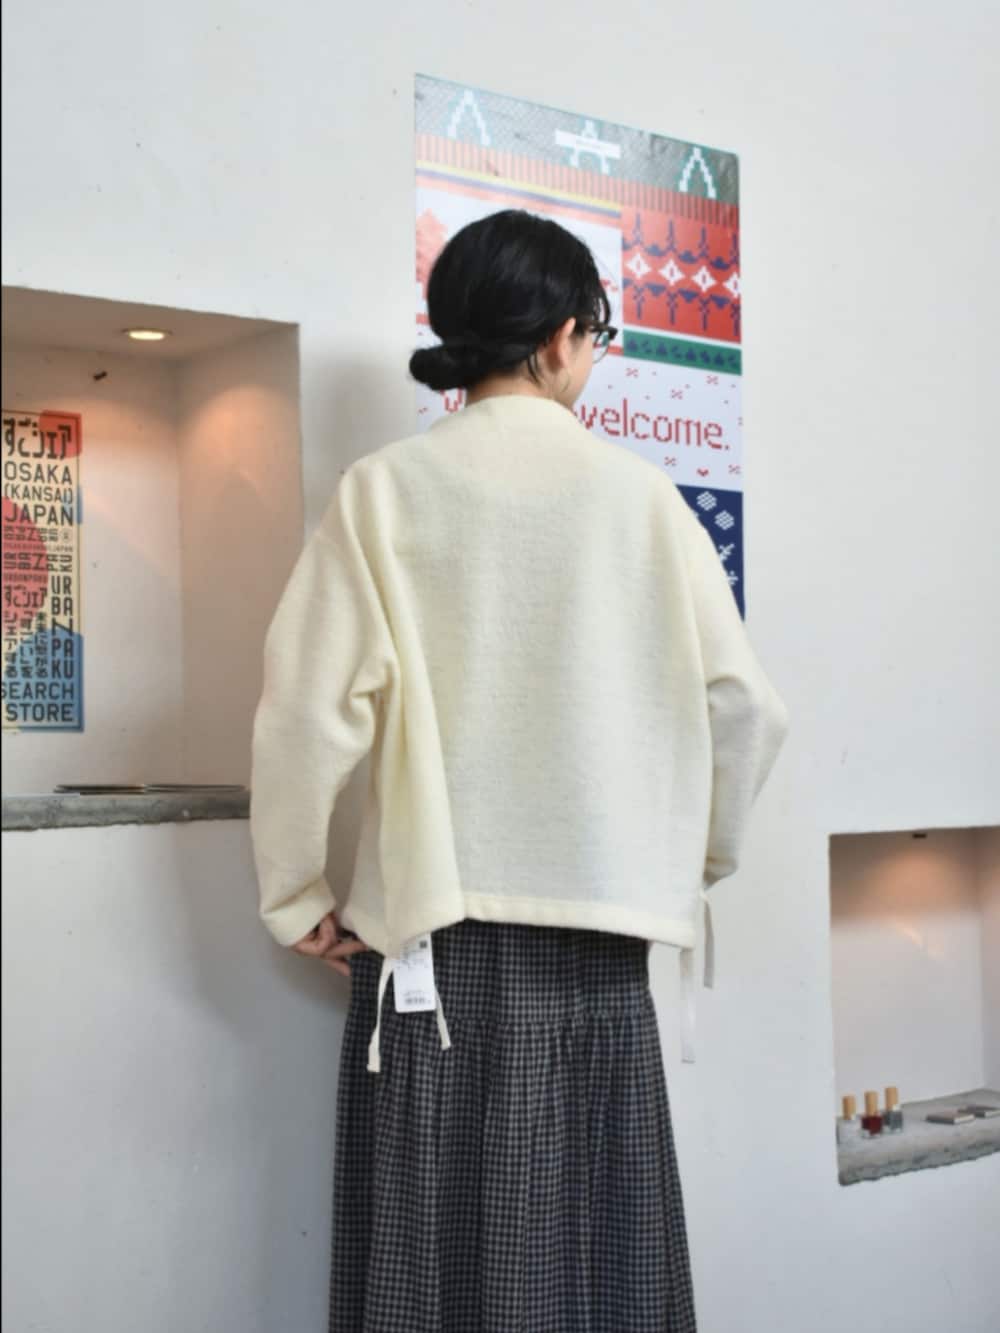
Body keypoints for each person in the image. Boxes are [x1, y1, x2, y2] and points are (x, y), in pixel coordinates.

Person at [249, 208, 788, 1332]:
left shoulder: (383, 491)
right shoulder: (643, 500)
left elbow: (306, 710)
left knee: (431, 1271)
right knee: (597, 1264)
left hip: (430, 949)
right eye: (595, 334)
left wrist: (296, 894)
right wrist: (684, 861)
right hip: (600, 955)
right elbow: (743, 709)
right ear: (557, 338)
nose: (593, 356)